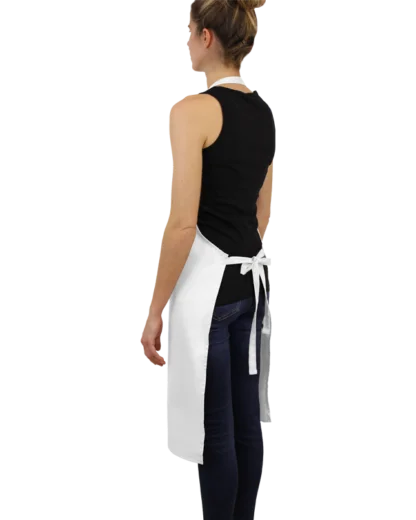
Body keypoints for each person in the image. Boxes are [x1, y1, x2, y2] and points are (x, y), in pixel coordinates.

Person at [141, 0, 274, 518]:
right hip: (249, 287)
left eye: (189, 30)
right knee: (246, 423)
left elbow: (181, 223)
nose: (187, 40)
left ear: (206, 38)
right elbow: (262, 212)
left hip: (209, 295)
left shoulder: (192, 111)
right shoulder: (261, 110)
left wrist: (156, 309)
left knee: (215, 430)